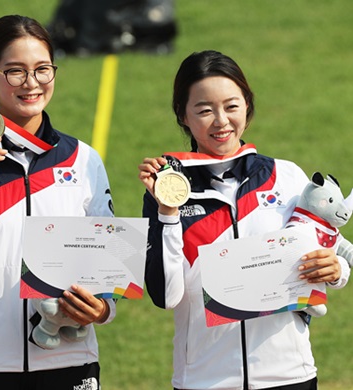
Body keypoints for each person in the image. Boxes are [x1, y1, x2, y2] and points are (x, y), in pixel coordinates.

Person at [138, 49, 350, 390]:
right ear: (183, 115)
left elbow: (334, 249)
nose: (221, 121)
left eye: (231, 106)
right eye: (204, 110)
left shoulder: (287, 177)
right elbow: (166, 296)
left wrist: (337, 270)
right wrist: (167, 210)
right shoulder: (169, 189)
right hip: (205, 380)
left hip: (290, 375)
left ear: (247, 107)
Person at [0, 14, 115, 390]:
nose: (32, 84)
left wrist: (102, 309)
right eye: (15, 72)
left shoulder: (83, 160)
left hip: (69, 362)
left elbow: (106, 266)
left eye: (43, 69)